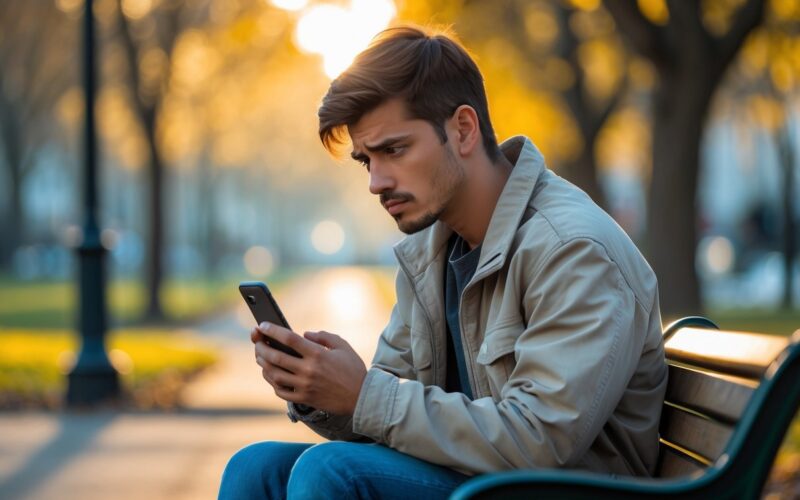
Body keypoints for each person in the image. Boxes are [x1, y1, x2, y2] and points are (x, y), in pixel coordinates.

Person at [219, 25, 668, 500]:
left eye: (394, 150)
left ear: (463, 129)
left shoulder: (571, 249)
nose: (376, 182)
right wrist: (319, 391)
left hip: (560, 488)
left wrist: (364, 395)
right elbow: (385, 412)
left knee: (332, 473)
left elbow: (542, 439)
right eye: (365, 160)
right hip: (477, 480)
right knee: (256, 468)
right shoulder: (430, 252)